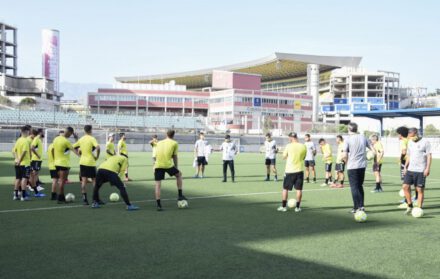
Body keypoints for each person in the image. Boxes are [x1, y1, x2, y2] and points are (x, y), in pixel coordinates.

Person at [342, 122, 374, 213]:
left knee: (354, 187)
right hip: (362, 166)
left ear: (349, 129)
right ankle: (361, 206)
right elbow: (373, 150)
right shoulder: (363, 137)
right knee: (360, 186)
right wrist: (370, 156)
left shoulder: (347, 139)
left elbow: (344, 155)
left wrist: (347, 163)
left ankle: (357, 207)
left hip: (352, 166)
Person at [153, 130, 186, 211]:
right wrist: (176, 167)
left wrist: (154, 164)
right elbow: (175, 156)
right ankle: (180, 195)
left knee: (158, 185)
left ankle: (158, 205)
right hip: (167, 164)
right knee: (179, 175)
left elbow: (156, 154)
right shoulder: (175, 143)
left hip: (157, 164)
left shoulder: (159, 142)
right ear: (173, 135)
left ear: (166, 135)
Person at [402, 127, 432, 215]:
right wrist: (405, 167)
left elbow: (429, 156)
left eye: (409, 134)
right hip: (410, 169)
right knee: (405, 187)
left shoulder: (425, 142)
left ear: (415, 133)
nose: (408, 136)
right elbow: (409, 155)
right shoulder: (410, 142)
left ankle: (419, 208)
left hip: (421, 170)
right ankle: (410, 205)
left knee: (419, 189)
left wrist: (427, 168)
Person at [277, 132, 307, 212]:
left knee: (285, 189)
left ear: (290, 138)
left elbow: (283, 157)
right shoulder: (303, 146)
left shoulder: (288, 146)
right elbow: (303, 157)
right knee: (299, 189)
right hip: (299, 170)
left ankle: (284, 207)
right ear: (296, 137)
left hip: (289, 170)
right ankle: (297, 207)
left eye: (289, 138)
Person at [73, 125, 100, 205]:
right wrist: (97, 157)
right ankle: (95, 199)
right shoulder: (92, 138)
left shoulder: (81, 139)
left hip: (82, 162)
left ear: (84, 130)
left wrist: (78, 155)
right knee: (94, 180)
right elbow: (98, 148)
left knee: (84, 181)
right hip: (91, 162)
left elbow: (72, 147)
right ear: (91, 130)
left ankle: (85, 199)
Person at [52, 126, 79, 204]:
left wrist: (55, 159)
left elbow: (53, 150)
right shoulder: (66, 141)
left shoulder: (56, 139)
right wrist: (81, 156)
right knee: (62, 181)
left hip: (56, 163)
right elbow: (75, 151)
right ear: (70, 133)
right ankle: (60, 198)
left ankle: (61, 197)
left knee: (59, 181)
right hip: (64, 164)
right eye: (71, 134)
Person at [396, 126, 417, 208]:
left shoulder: (403, 141)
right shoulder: (409, 139)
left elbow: (404, 152)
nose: (398, 136)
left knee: (405, 182)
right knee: (412, 181)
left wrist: (400, 159)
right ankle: (414, 198)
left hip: (406, 162)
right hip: (413, 161)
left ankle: (406, 201)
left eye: (398, 134)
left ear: (401, 134)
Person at [12, 126, 32, 201]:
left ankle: (15, 195)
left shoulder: (18, 140)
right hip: (25, 163)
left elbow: (14, 151)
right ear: (27, 132)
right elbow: (24, 152)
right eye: (29, 131)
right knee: (24, 179)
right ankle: (23, 196)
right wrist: (20, 161)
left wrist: (16, 159)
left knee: (18, 178)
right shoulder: (25, 141)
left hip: (17, 163)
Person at [29, 128, 46, 197]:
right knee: (33, 175)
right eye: (43, 132)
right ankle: (33, 188)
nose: (44, 133)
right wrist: (37, 155)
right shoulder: (36, 139)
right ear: (40, 132)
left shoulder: (38, 139)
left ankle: (35, 188)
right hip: (35, 160)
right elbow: (32, 147)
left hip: (37, 160)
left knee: (35, 175)